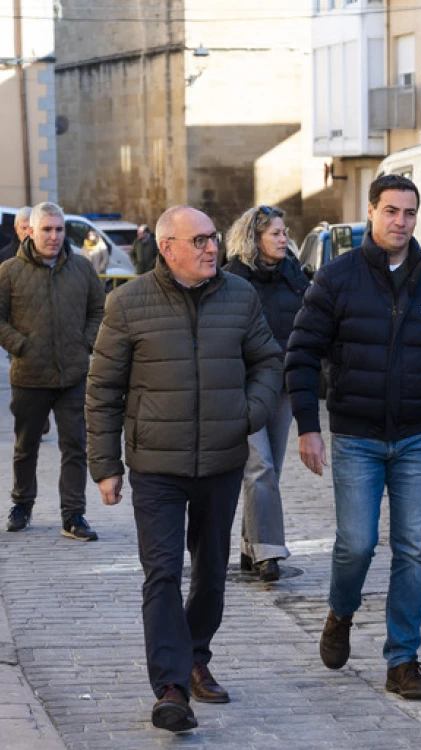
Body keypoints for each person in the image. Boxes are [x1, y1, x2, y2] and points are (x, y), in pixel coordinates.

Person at [85, 206, 284, 733]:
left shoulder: (240, 297)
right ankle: (171, 686)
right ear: (168, 247)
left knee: (212, 573)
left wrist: (249, 413)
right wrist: (105, 465)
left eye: (213, 239)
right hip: (157, 465)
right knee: (163, 573)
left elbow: (268, 360)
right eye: (198, 241)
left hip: (221, 459)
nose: (211, 248)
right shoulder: (127, 304)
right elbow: (103, 390)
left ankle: (196, 653)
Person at [286, 174, 421, 700]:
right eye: (391, 211)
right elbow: (301, 353)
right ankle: (341, 611)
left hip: (415, 438)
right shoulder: (337, 277)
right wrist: (307, 427)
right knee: (357, 544)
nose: (400, 222)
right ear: (371, 212)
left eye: (409, 213)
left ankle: (403, 659)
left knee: (413, 551)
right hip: (356, 437)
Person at [0, 202, 105, 539]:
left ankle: (73, 515)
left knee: (75, 445)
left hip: (72, 375)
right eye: (47, 229)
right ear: (31, 230)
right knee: (25, 445)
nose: (54, 236)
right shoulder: (9, 272)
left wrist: (85, 342)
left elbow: (98, 311)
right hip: (29, 375)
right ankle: (22, 503)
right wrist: (20, 345)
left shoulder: (82, 269)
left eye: (59, 229)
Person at [223, 205, 309, 582]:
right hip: (245, 385)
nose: (283, 238)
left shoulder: (295, 275)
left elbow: (309, 323)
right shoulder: (229, 278)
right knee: (260, 467)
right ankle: (270, 552)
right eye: (275, 232)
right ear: (254, 237)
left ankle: (250, 547)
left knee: (269, 468)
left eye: (284, 231)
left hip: (284, 385)